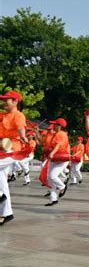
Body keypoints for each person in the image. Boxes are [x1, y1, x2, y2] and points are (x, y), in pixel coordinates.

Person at [0, 91, 28, 226]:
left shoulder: (18, 115)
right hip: (2, 149)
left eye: (7, 100)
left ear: (15, 101)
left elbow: (20, 127)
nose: (4, 102)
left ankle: (0, 196)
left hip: (12, 149)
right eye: (3, 100)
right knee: (1, 181)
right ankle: (7, 213)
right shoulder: (3, 115)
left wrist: (23, 136)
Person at [44, 118, 70, 206]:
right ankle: (53, 199)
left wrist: (52, 152)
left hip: (61, 158)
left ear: (59, 126)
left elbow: (59, 145)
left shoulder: (61, 134)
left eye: (55, 124)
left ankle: (63, 186)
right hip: (55, 158)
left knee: (52, 176)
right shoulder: (55, 134)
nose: (53, 126)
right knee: (49, 179)